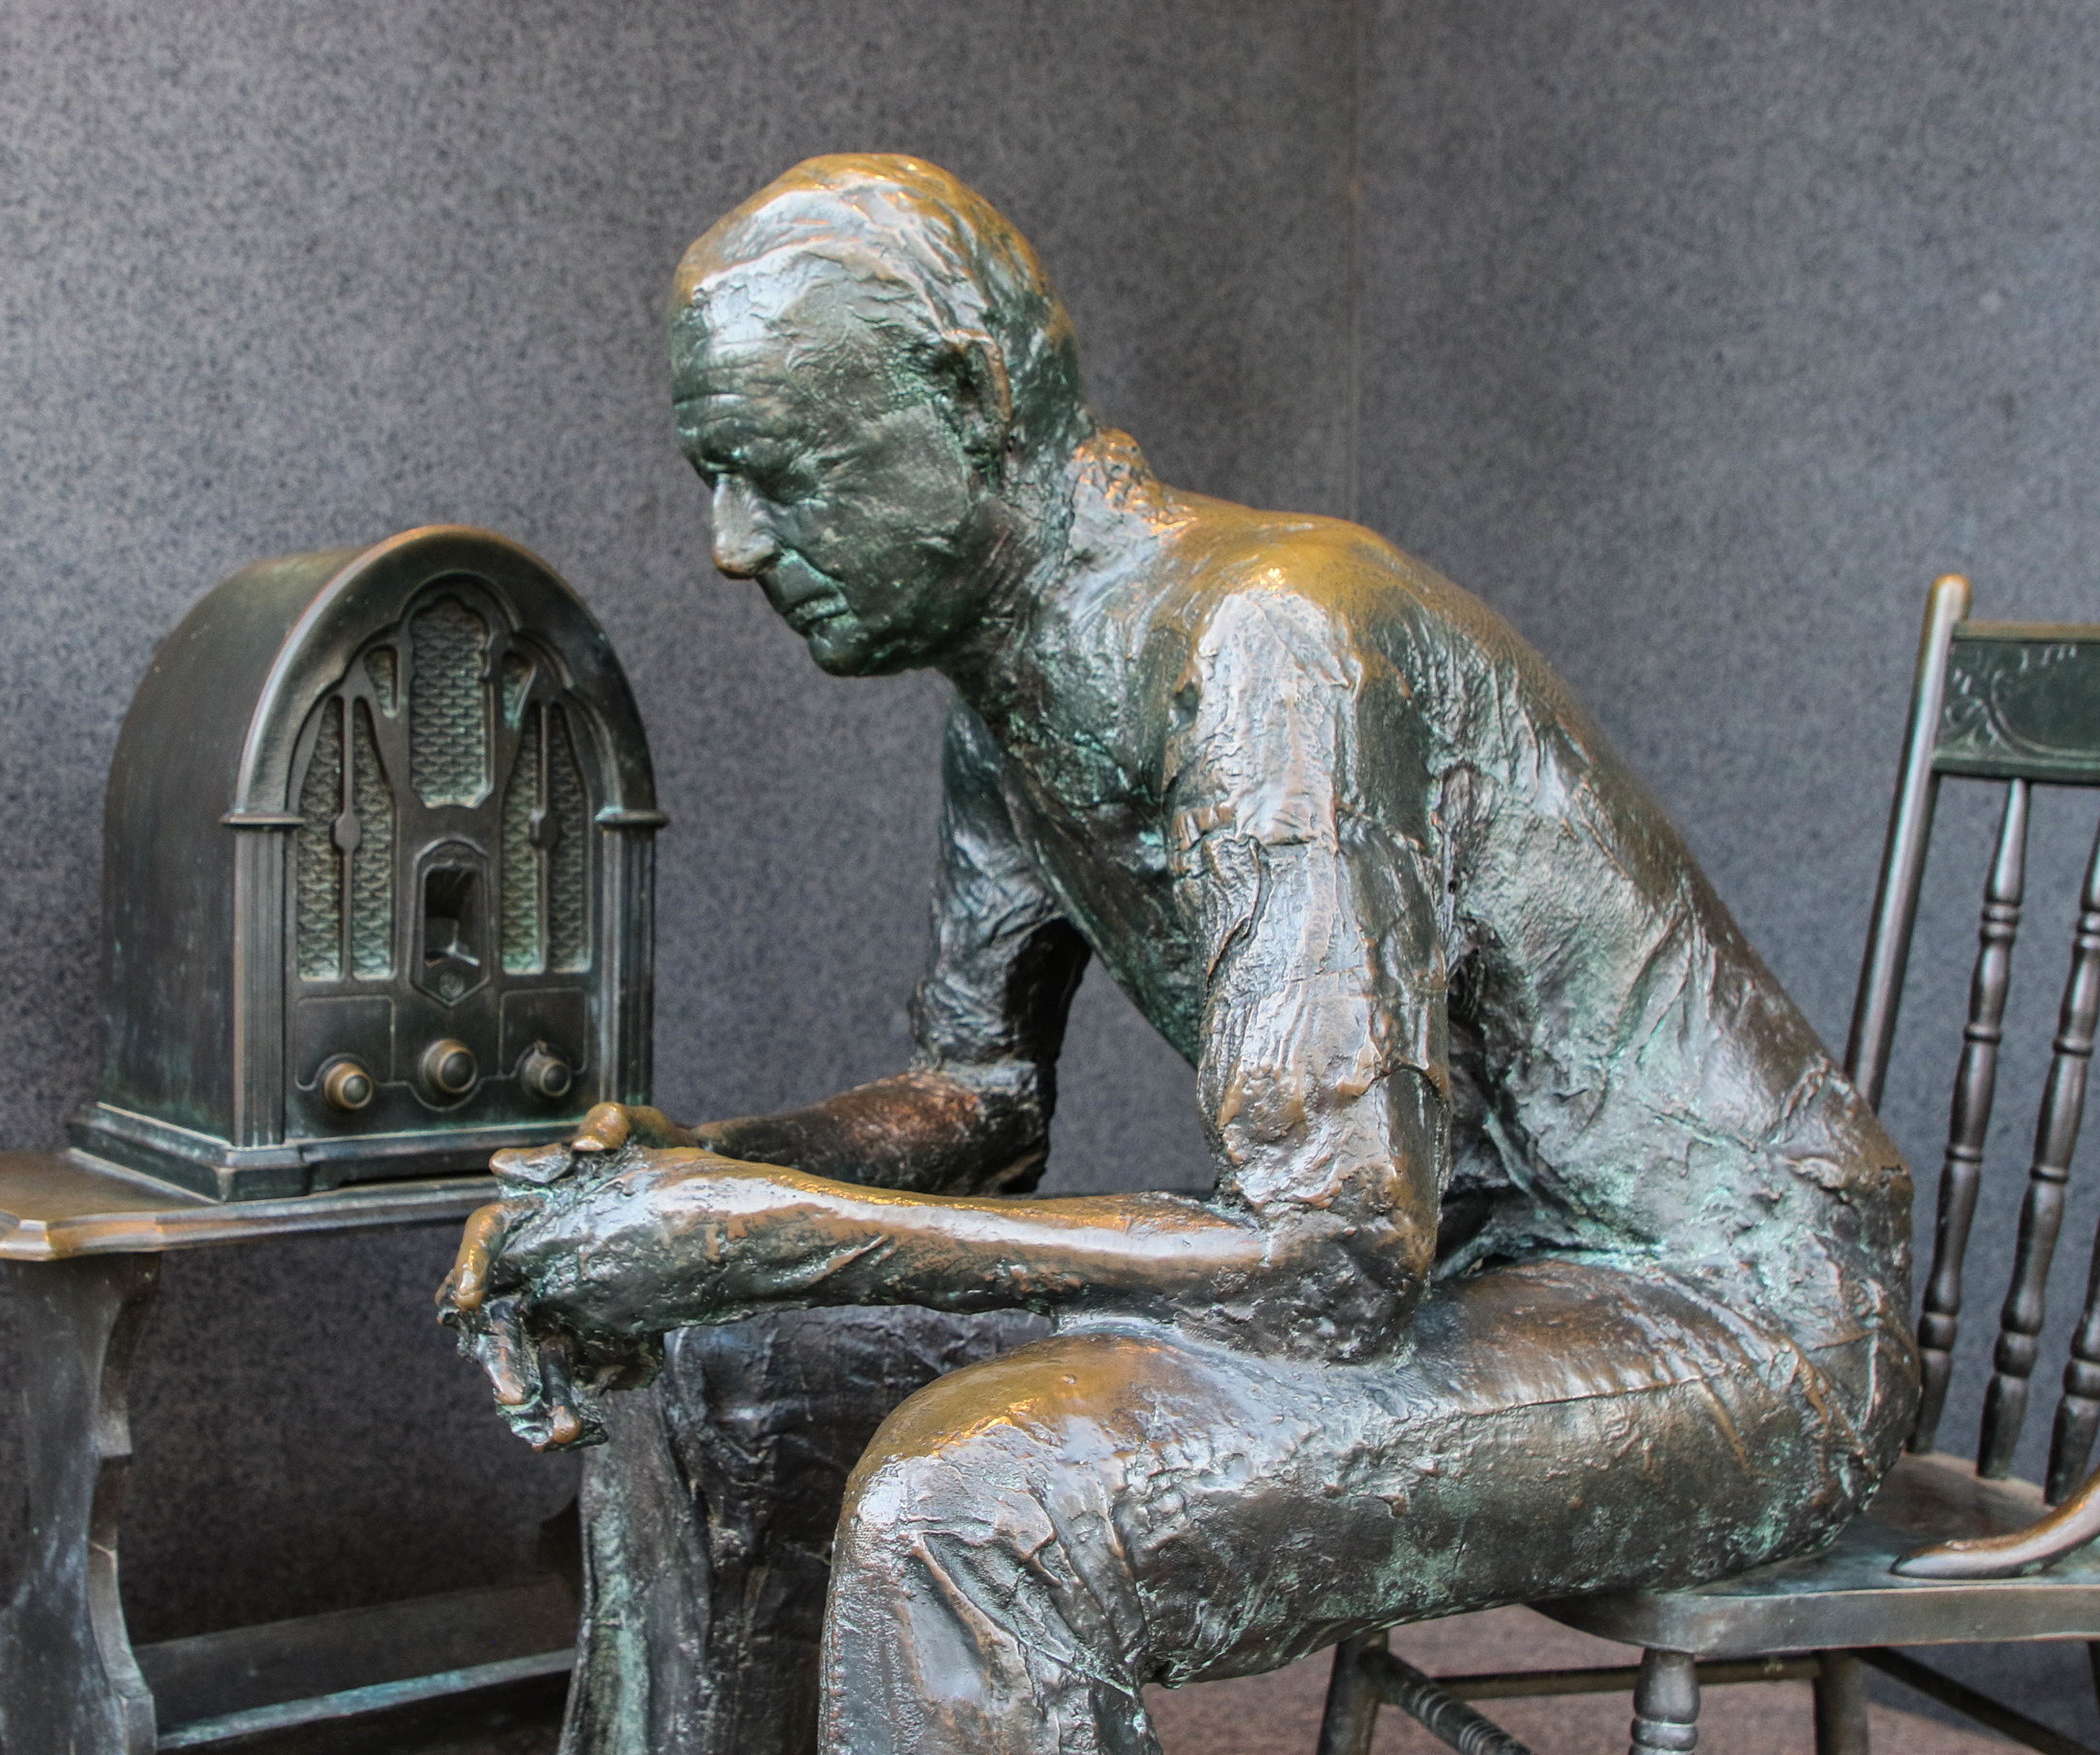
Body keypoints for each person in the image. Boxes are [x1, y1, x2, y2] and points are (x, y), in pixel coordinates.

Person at [443, 154, 1915, 1755]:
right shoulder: (1006, 700)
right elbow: (976, 1101)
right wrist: (691, 1183)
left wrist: (765, 1227)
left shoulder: (1271, 639)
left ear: (969, 399)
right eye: (713, 480)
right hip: (1486, 1273)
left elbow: (1336, 1260)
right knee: (725, 1366)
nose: (733, 543)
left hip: (1736, 1327)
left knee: (984, 1510)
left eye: (780, 472)